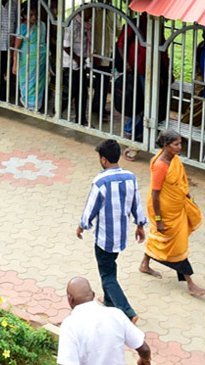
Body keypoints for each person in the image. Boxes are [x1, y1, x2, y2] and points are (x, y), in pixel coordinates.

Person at [77, 138, 147, 323]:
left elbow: (91, 207)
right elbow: (136, 203)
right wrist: (140, 225)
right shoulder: (130, 177)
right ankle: (109, 301)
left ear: (103, 160)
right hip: (121, 236)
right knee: (110, 266)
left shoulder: (100, 181)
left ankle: (127, 311)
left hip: (104, 237)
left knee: (107, 275)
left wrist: (82, 225)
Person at [139, 130, 205, 296]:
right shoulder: (161, 165)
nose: (179, 147)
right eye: (176, 144)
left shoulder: (174, 160)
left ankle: (144, 264)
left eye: (180, 144)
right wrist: (159, 219)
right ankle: (190, 284)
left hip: (177, 207)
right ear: (166, 145)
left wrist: (188, 198)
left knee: (158, 237)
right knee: (177, 245)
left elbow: (180, 182)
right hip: (165, 212)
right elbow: (155, 194)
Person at [56, 276, 150, 365]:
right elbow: (144, 349)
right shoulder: (116, 315)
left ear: (70, 299)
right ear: (93, 295)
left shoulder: (69, 326)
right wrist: (145, 360)